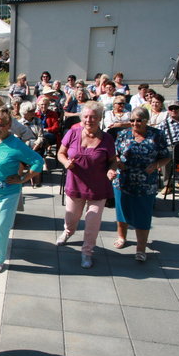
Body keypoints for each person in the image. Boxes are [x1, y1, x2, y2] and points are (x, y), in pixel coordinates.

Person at [0, 108, 43, 273]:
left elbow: (38, 161)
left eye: (1, 126)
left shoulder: (16, 144)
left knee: (0, 226)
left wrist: (24, 178)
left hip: (9, 192)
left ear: (9, 125)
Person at [57, 102, 116, 268]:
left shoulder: (107, 139)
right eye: (86, 116)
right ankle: (68, 232)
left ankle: (87, 253)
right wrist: (65, 162)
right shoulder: (72, 133)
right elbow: (61, 153)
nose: (89, 120)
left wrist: (111, 171)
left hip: (98, 187)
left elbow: (113, 161)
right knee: (72, 218)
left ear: (99, 118)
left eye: (93, 117)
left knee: (92, 222)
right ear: (81, 117)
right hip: (75, 184)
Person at [109, 107, 171, 262]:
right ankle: (122, 237)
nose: (135, 123)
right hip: (123, 180)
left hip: (145, 182)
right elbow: (114, 155)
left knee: (143, 214)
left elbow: (166, 157)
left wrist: (156, 164)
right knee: (122, 211)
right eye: (132, 120)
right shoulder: (123, 134)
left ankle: (141, 247)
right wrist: (116, 164)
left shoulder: (157, 135)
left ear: (146, 120)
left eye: (138, 120)